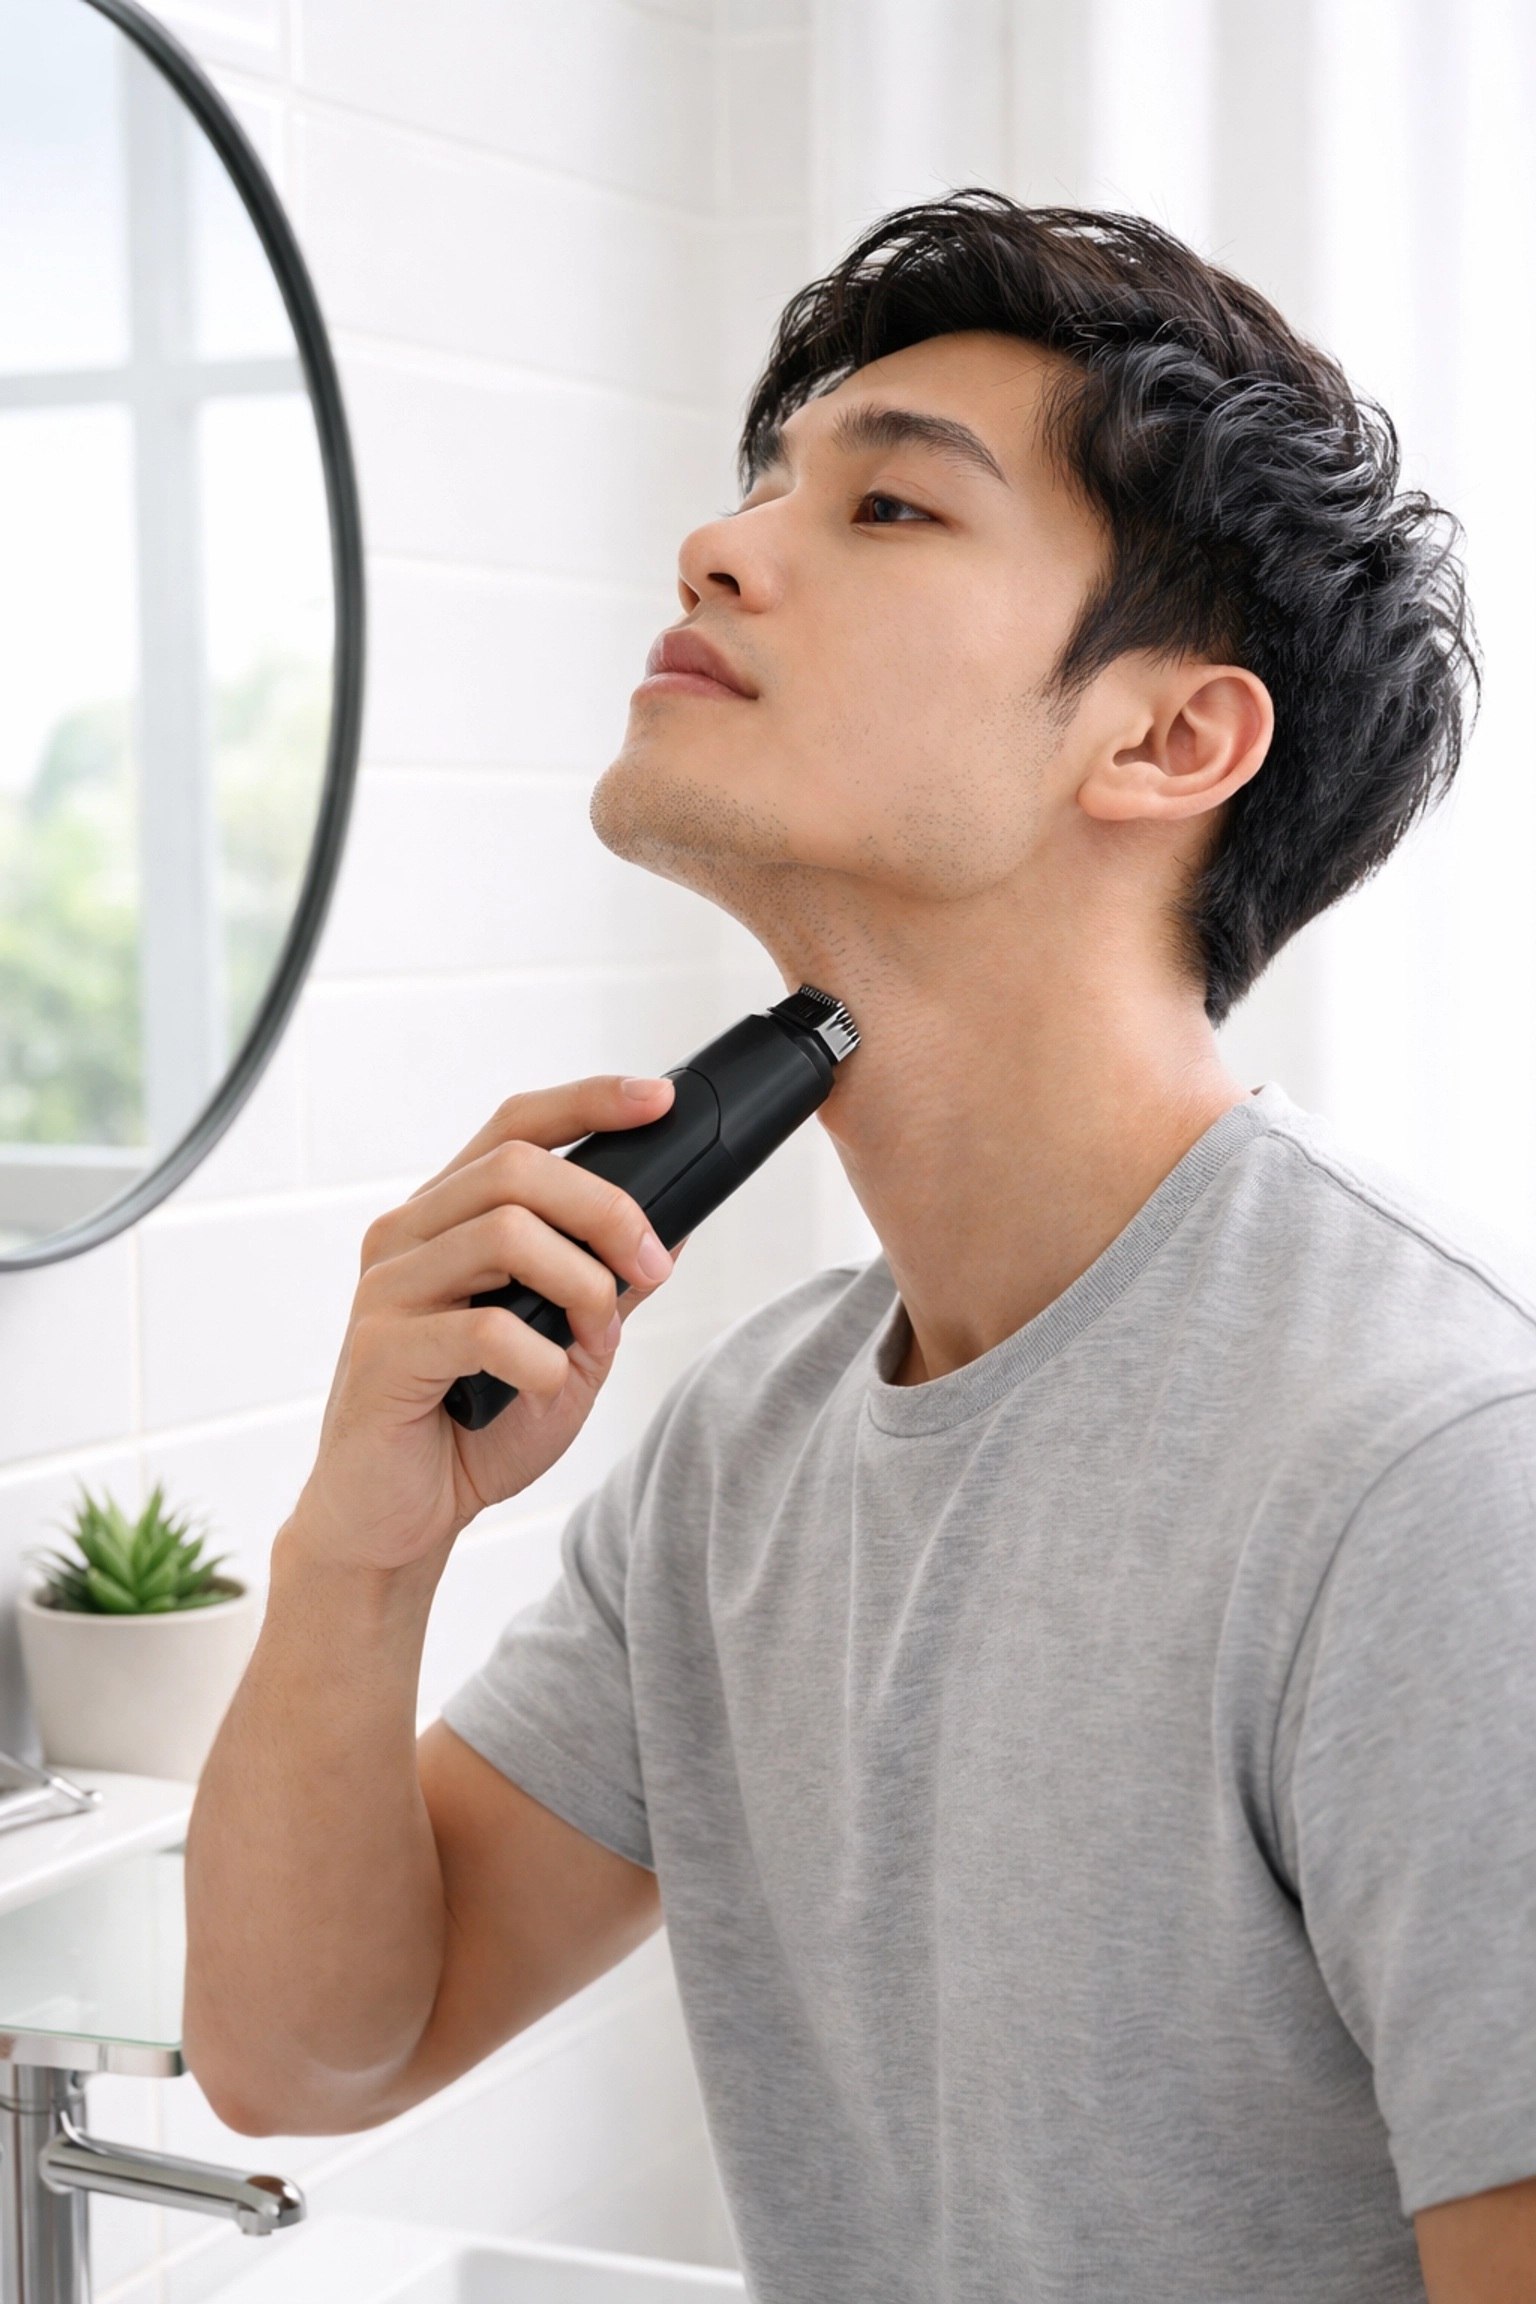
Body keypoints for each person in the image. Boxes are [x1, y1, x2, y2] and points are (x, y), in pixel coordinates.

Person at [183, 198, 1536, 2303]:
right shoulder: (754, 1447)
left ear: (1171, 740)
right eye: (761, 487)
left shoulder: (1440, 1470)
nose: (721, 551)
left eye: (891, 504)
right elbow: (302, 2055)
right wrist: (364, 1547)